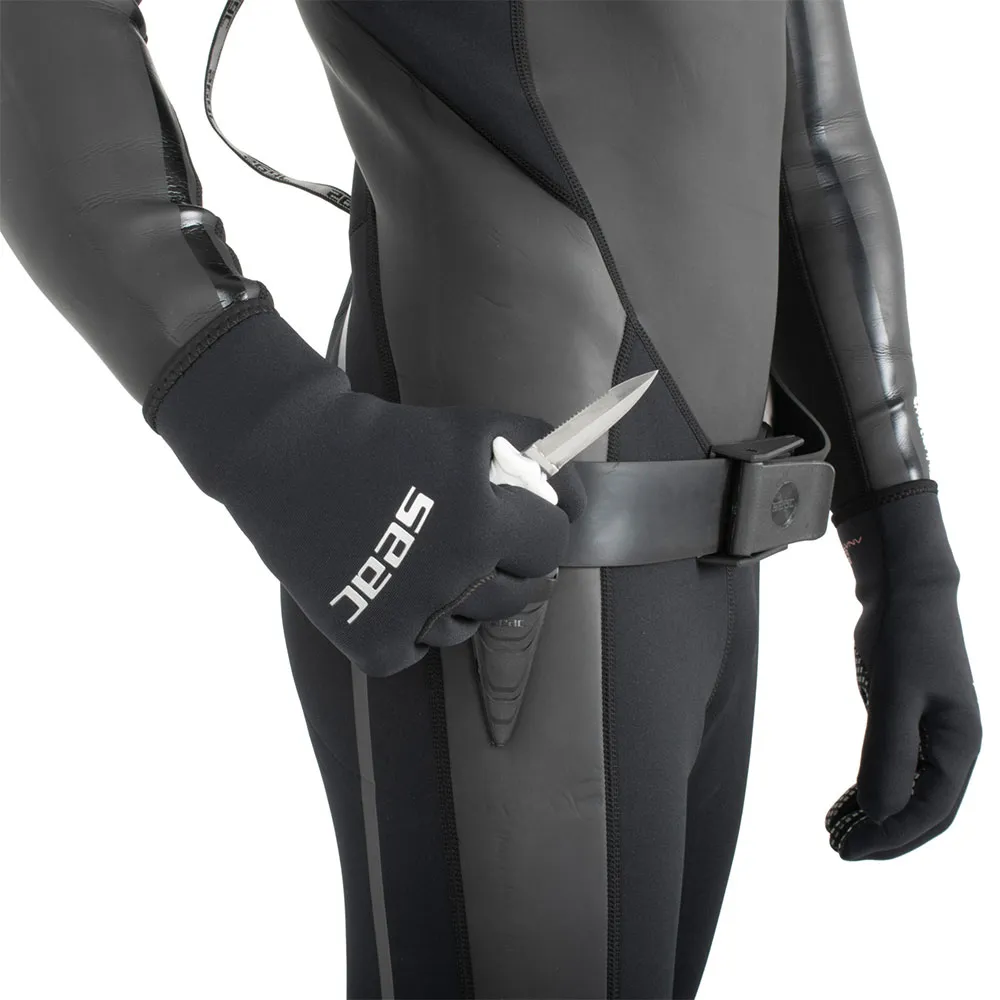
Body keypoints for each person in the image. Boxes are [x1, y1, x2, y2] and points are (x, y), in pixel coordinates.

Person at [0, 2, 982, 997]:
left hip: (703, 579)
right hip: (491, 558)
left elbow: (813, 136)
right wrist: (270, 426)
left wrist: (904, 547)